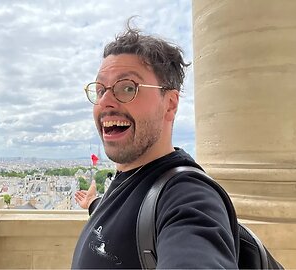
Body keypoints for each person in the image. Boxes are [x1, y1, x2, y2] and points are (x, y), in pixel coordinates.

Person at [71, 19, 238, 269]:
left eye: (127, 88)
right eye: (100, 90)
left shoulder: (187, 196)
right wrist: (94, 204)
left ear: (170, 103)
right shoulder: (129, 180)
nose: (104, 102)